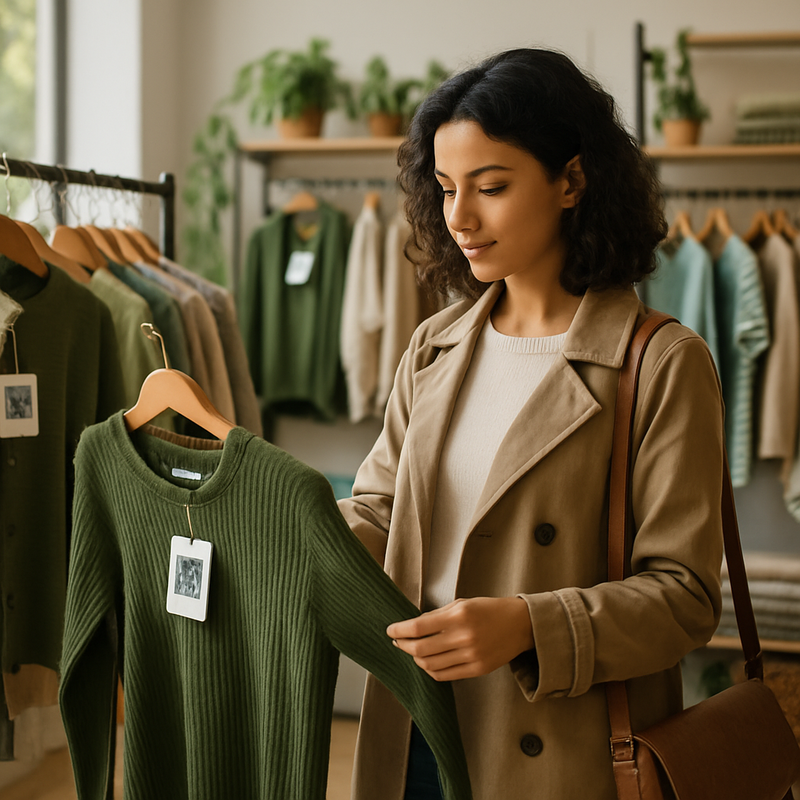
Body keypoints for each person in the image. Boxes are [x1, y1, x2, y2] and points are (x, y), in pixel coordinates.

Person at [337, 47, 725, 799]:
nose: (460, 218)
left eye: (490, 186)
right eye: (446, 189)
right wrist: (276, 527)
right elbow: (381, 512)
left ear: (572, 179)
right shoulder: (435, 345)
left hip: (558, 745)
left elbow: (684, 598)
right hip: (414, 718)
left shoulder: (661, 361)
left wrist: (528, 627)